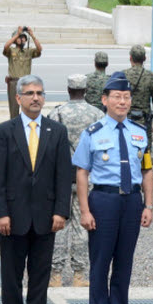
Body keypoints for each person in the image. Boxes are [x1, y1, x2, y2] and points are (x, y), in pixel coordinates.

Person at [0, 75, 73, 304]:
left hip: (46, 218)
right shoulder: (4, 131)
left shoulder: (56, 131)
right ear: (18, 98)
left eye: (40, 93)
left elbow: (64, 175)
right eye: (30, 93)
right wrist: (0, 213)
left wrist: (62, 211)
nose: (36, 97)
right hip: (12, 217)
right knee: (11, 274)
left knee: (40, 274)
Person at [72, 71, 153, 304]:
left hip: (131, 201)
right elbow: (82, 172)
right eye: (117, 97)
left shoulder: (140, 133)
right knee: (100, 261)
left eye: (127, 97)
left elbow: (147, 171)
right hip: (103, 200)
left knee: (124, 262)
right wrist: (85, 210)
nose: (122, 102)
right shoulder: (93, 133)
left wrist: (149, 205)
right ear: (104, 100)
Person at [47, 74, 105, 287]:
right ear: (86, 90)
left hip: (61, 177)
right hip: (87, 176)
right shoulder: (97, 114)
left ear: (69, 89)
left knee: (59, 224)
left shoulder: (57, 113)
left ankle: (55, 274)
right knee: (82, 226)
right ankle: (80, 274)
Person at [123, 45, 153, 141]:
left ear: (130, 58)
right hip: (144, 121)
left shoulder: (122, 75)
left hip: (125, 120)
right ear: (144, 58)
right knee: (145, 150)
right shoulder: (152, 77)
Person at [3, 26, 42, 118]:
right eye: (20, 38)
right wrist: (17, 34)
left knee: (28, 106)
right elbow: (5, 47)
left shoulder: (28, 51)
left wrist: (32, 35)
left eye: (24, 38)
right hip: (14, 82)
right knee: (14, 108)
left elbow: (40, 49)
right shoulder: (11, 50)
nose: (22, 40)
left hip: (26, 82)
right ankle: (14, 128)